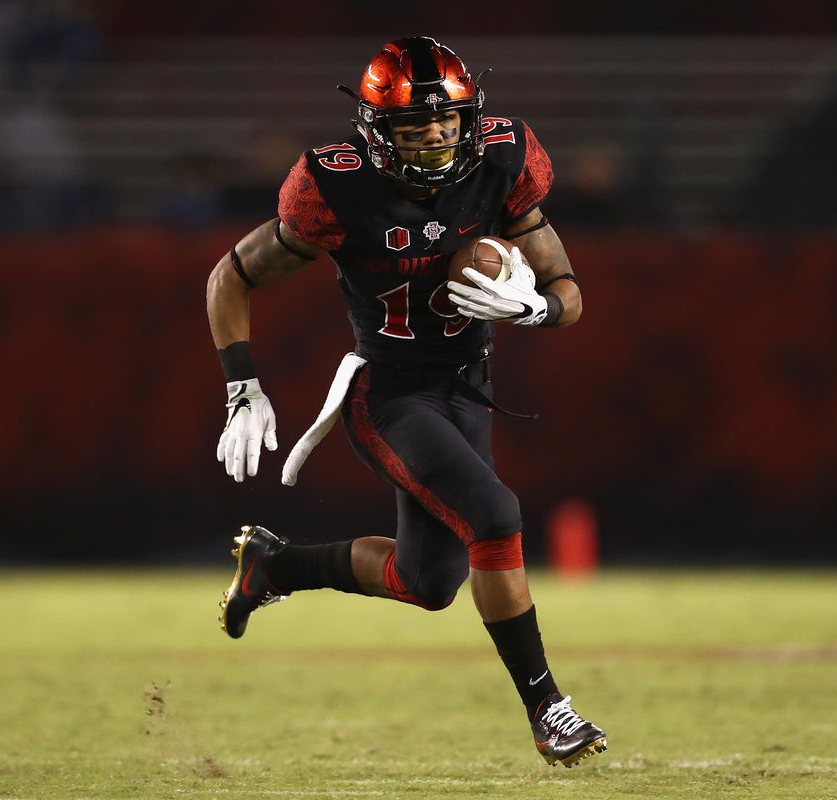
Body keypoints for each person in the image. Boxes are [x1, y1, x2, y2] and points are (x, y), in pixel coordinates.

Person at [205, 36, 607, 768]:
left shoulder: (502, 160)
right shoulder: (337, 186)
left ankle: (274, 567)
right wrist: (241, 383)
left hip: (466, 386)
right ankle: (549, 708)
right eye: (414, 126)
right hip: (387, 392)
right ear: (375, 131)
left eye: (447, 121)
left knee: (430, 585)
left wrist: (537, 312)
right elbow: (230, 277)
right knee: (496, 515)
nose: (434, 137)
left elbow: (570, 293)